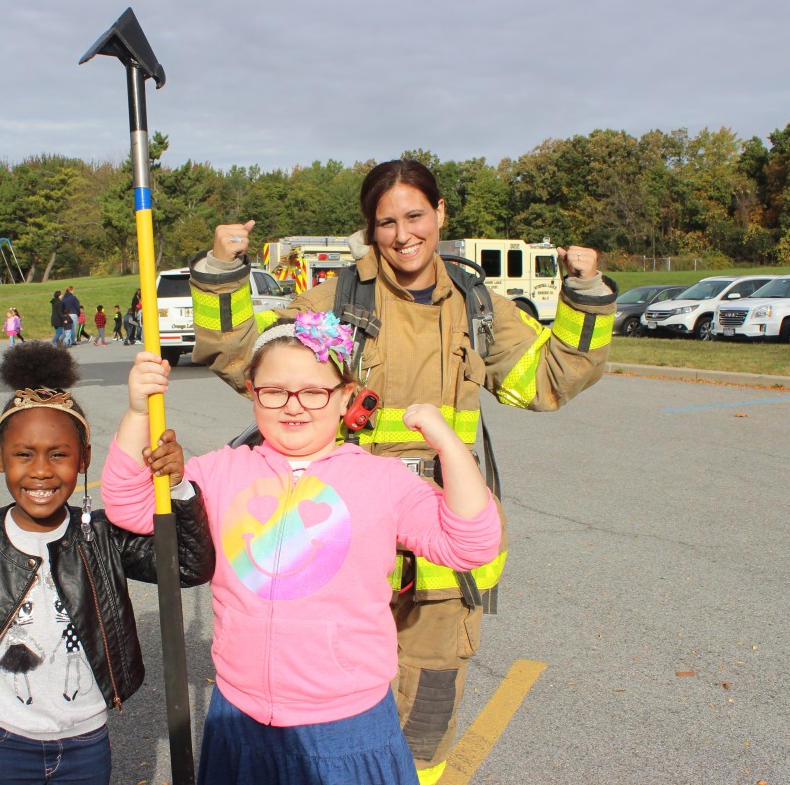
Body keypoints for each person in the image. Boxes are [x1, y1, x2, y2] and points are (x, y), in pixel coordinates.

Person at [188, 159, 617, 783]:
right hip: (336, 539)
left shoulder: (477, 304)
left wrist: (585, 293)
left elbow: (546, 381)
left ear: (440, 214)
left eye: (415, 215)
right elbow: (252, 363)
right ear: (370, 230)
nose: (402, 233)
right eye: (385, 221)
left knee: (426, 714)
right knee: (318, 710)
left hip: (437, 549)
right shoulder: (338, 300)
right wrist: (224, 275)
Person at [102, 315, 501, 785]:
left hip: (346, 720)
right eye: (274, 391)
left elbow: (471, 543)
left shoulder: (382, 481)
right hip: (240, 714)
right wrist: (137, 414)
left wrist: (445, 441)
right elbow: (128, 506)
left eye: (315, 392)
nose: (294, 407)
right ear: (253, 392)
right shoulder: (219, 472)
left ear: (345, 396)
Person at [0, 341, 215, 785]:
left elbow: (188, 567)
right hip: (3, 743)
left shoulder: (99, 537)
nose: (41, 471)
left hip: (87, 742)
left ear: (84, 458)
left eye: (59, 454)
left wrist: (178, 490)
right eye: (23, 454)